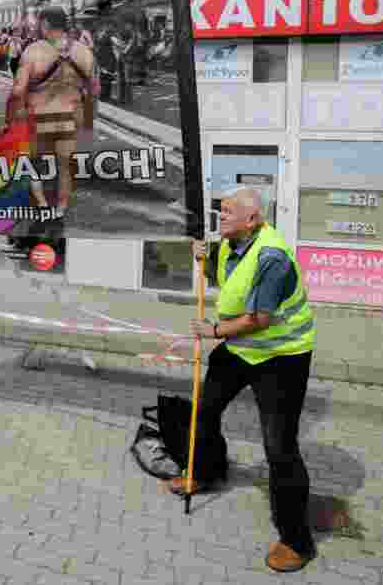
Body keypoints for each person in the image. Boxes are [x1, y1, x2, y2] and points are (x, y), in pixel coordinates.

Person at [156, 187, 317, 573]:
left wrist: (213, 331)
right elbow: (224, 276)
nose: (220, 217)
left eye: (228, 212)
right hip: (240, 349)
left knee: (279, 447)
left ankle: (297, 540)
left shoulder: (272, 257)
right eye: (220, 211)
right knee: (206, 408)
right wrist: (203, 261)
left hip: (281, 358)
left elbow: (259, 319)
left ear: (252, 219)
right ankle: (206, 472)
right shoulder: (231, 243)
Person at [12, 6, 95, 215]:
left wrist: (14, 117)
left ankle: (41, 203)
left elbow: (18, 90)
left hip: (38, 118)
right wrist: (87, 122)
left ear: (46, 24)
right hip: (68, 118)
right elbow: (94, 88)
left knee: (34, 164)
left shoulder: (32, 51)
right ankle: (61, 207)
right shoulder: (83, 51)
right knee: (65, 167)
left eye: (40, 23)